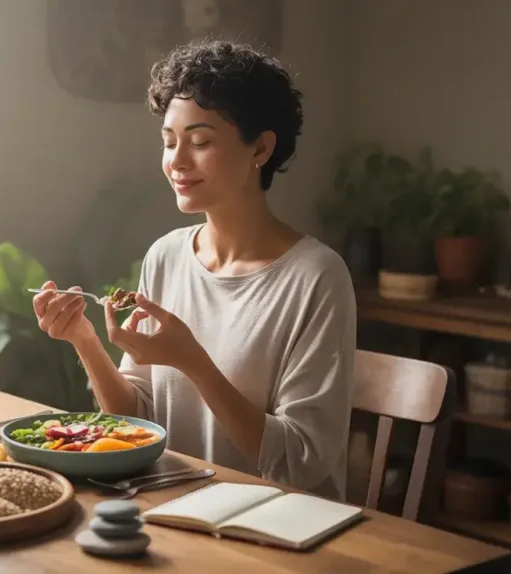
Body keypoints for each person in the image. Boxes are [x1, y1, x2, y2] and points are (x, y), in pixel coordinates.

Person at [32, 40, 356, 500]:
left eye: (200, 142)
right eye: (169, 142)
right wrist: (84, 340)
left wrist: (194, 363)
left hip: (280, 530)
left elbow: (299, 463)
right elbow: (135, 418)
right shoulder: (165, 257)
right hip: (177, 509)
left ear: (260, 148)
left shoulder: (317, 277)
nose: (177, 161)